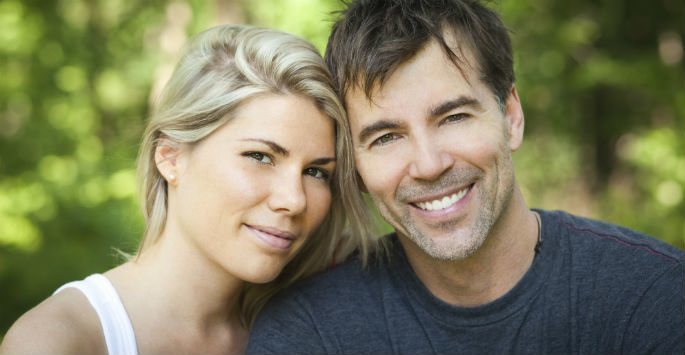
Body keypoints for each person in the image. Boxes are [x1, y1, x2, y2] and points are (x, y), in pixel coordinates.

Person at [246, 0, 685, 353]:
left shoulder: (655, 299)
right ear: (355, 167)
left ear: (510, 116)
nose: (430, 164)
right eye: (386, 138)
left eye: (453, 117)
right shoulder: (310, 334)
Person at [0, 24, 374, 354]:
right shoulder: (59, 340)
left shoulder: (315, 326)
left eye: (316, 172)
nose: (293, 200)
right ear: (171, 157)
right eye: (260, 157)